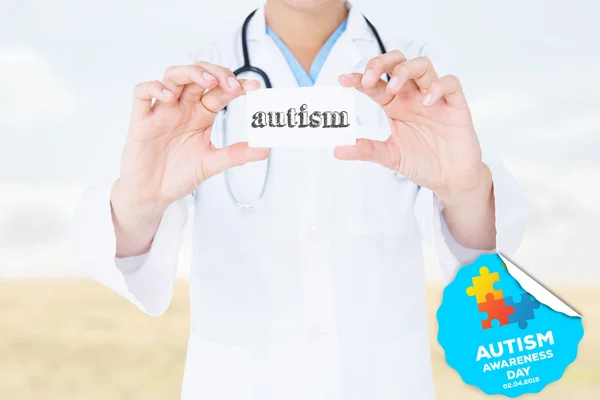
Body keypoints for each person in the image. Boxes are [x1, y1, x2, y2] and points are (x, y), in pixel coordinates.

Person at [71, 0, 531, 399]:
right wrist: (140, 201)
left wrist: (465, 192)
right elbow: (125, 251)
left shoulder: (417, 73)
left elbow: (483, 264)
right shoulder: (195, 75)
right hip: (243, 384)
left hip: (378, 383)